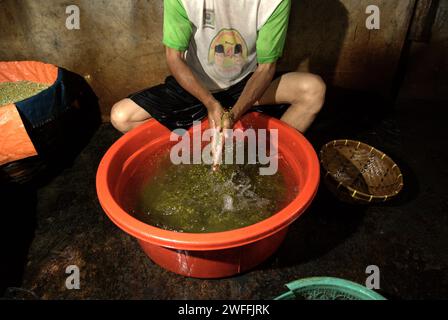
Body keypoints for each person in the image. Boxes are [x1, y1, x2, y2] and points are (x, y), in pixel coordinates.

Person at [111, 0, 326, 135]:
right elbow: (174, 57)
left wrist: (235, 113)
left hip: (247, 84)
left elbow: (266, 68)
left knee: (313, 90)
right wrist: (209, 103)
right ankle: (197, 138)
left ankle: (266, 157)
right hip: (196, 88)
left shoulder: (274, 2)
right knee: (122, 116)